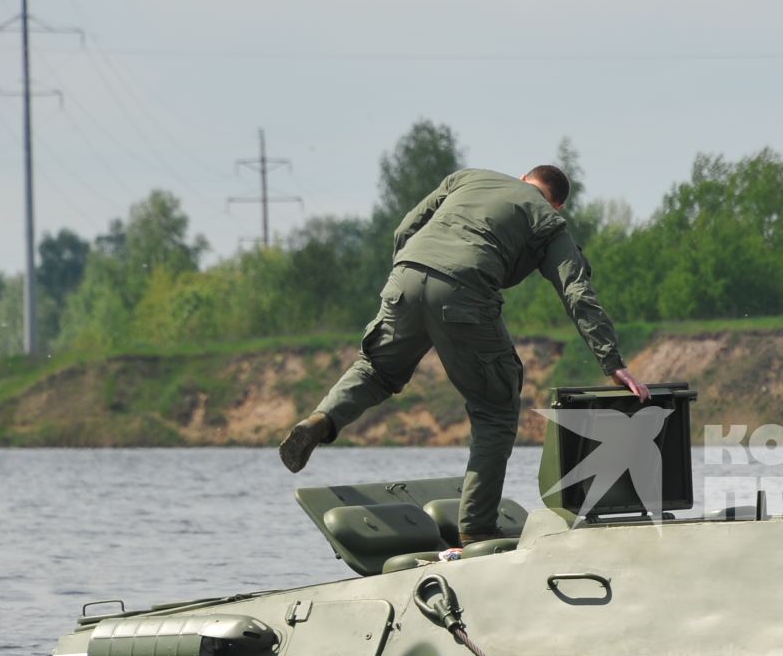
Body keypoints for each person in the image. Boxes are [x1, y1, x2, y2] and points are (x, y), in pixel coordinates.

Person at [278, 164, 648, 544]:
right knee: (496, 410)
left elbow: (406, 227)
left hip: (405, 275)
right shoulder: (549, 222)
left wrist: (407, 282)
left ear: (523, 178)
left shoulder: (469, 177)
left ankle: (321, 420)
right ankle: (476, 530)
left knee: (376, 370)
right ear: (558, 205)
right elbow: (576, 292)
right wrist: (612, 363)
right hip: (464, 291)